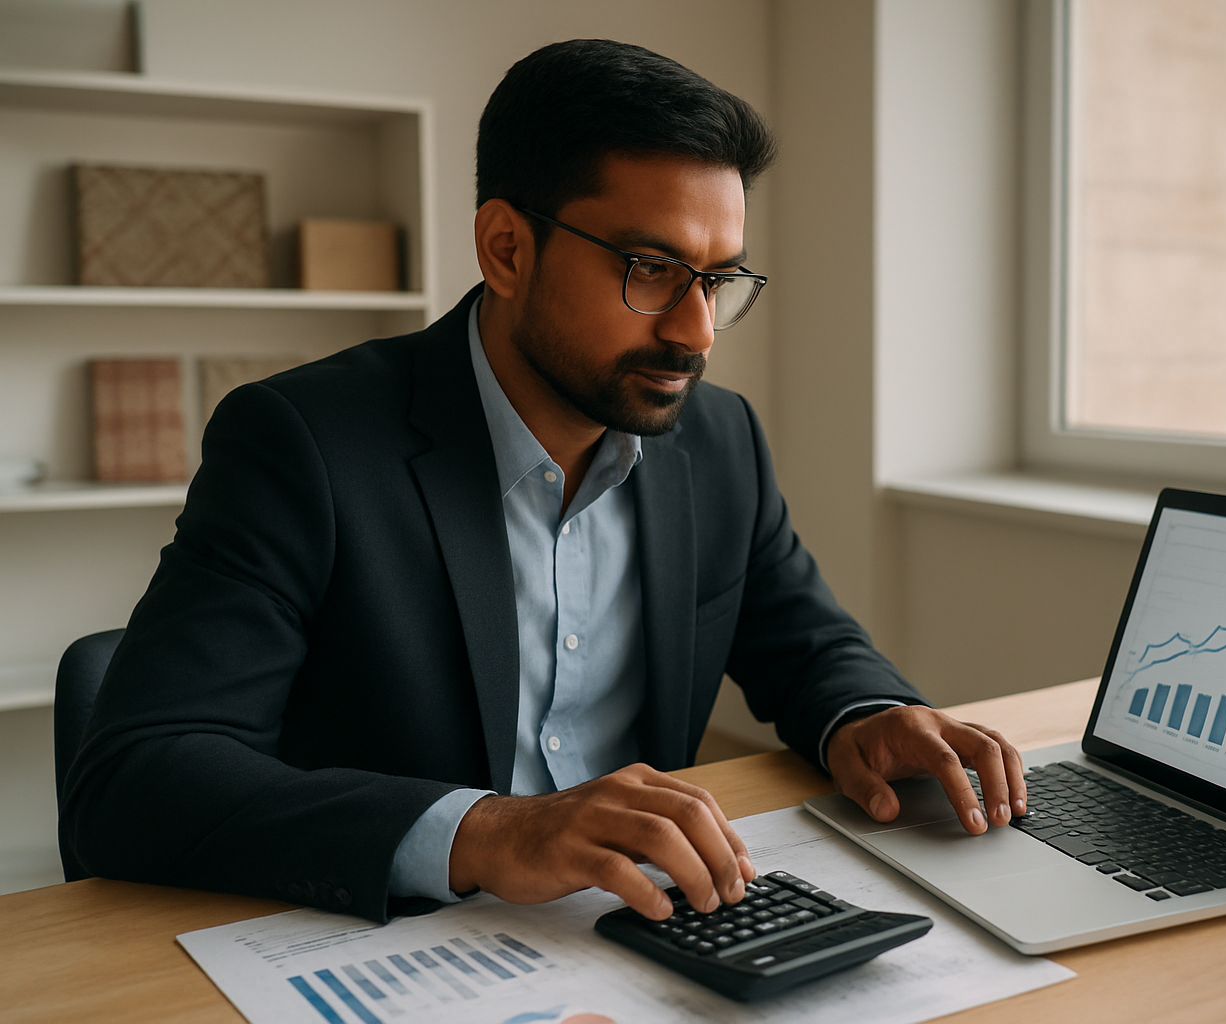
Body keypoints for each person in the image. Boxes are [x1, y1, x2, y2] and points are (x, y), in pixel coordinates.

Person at [61, 39, 1026, 926]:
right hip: (386, 939)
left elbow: (805, 642)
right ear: (507, 249)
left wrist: (871, 716)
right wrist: (489, 833)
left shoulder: (717, 440)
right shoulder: (303, 443)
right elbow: (137, 778)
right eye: (650, 267)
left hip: (643, 929)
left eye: (718, 278)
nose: (695, 331)